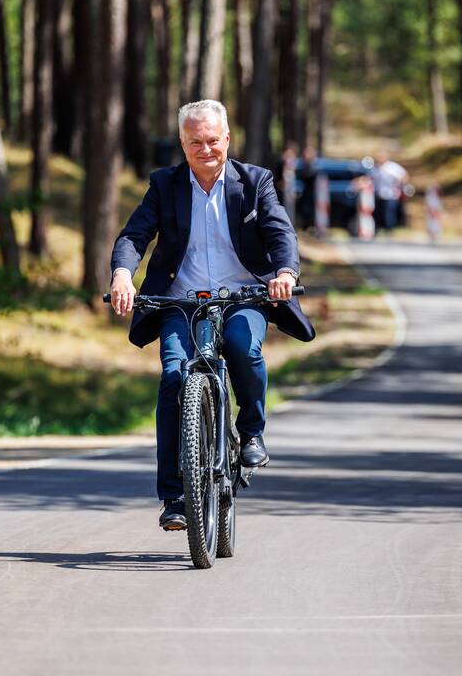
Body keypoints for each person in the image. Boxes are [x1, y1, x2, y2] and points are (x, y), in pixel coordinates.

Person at [108, 99, 315, 531]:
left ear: (227, 139)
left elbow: (280, 231)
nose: (205, 149)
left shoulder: (255, 181)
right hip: (180, 301)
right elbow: (135, 234)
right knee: (173, 378)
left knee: (243, 346)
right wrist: (123, 276)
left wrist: (284, 272)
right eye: (195, 142)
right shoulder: (165, 185)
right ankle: (175, 498)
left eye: (213, 140)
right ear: (183, 144)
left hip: (243, 295)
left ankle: (252, 430)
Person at [370, 151, 408, 232]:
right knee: (379, 214)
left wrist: (400, 183)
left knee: (389, 214)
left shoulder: (392, 167)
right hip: (378, 195)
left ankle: (390, 230)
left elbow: (404, 176)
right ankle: (380, 229)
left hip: (391, 195)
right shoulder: (375, 168)